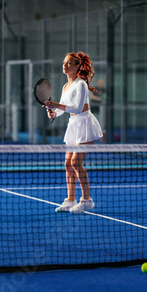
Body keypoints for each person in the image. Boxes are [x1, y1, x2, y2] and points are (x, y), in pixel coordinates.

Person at [43, 52, 103, 214]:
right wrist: (55, 112)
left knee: (76, 162)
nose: (65, 65)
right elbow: (65, 108)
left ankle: (87, 201)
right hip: (73, 125)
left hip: (85, 124)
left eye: (69, 63)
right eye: (64, 62)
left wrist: (56, 105)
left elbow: (77, 108)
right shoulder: (65, 86)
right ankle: (70, 200)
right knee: (68, 165)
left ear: (77, 66)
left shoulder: (81, 84)